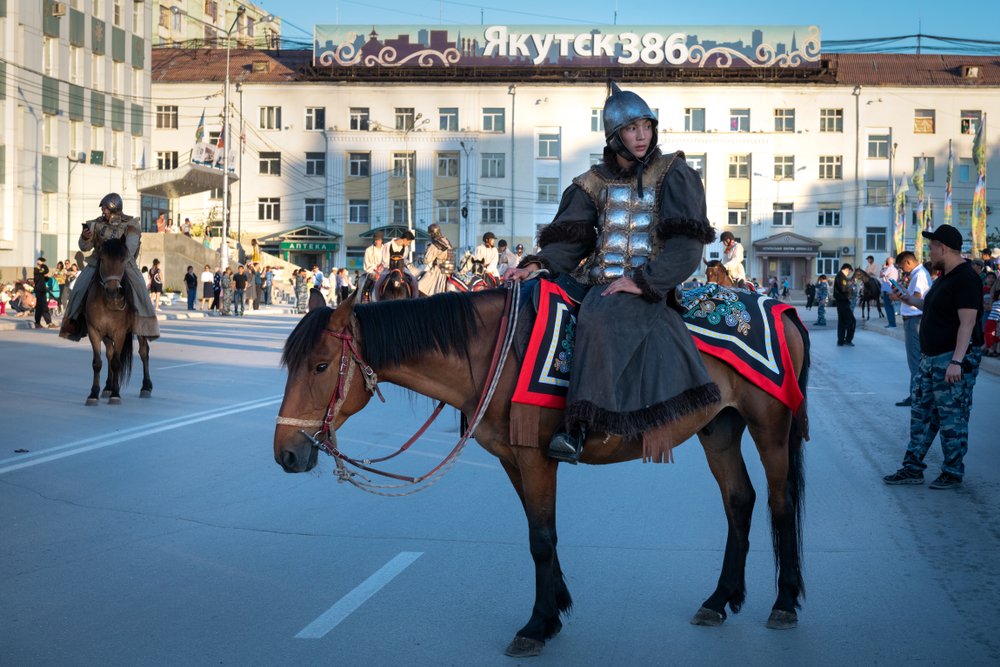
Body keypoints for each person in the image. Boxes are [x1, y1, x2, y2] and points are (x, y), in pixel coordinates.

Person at [505, 83, 719, 463]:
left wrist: (644, 282)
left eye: (646, 126)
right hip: (597, 278)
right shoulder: (593, 182)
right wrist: (539, 264)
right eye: (632, 128)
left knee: (599, 318)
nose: (642, 136)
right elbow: (570, 240)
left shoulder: (673, 172)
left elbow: (687, 246)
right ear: (614, 136)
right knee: (537, 304)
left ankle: (580, 425)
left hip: (648, 284)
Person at [883, 225, 985, 490]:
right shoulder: (944, 277)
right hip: (930, 359)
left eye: (931, 246)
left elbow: (968, 323)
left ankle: (952, 471)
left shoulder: (965, 278)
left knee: (952, 418)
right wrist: (908, 299)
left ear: (944, 248)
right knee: (921, 417)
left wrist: (956, 362)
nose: (929, 251)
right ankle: (912, 468)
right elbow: (931, 306)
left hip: (950, 359)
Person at [59, 193, 160, 341]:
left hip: (123, 262)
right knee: (79, 288)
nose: (103, 211)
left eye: (105, 208)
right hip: (98, 261)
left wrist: (117, 259)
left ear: (114, 208)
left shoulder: (131, 223)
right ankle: (73, 324)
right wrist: (85, 237)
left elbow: (130, 248)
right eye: (103, 209)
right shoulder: (95, 224)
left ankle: (145, 326)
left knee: (140, 287)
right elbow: (84, 247)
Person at [893, 250, 933, 406]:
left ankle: (916, 396)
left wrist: (902, 295)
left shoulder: (919, 275)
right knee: (916, 359)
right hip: (914, 319)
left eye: (902, 267)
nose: (903, 270)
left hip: (915, 319)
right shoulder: (918, 274)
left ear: (908, 262)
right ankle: (917, 394)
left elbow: (916, 298)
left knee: (915, 360)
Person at [417, 223, 455, 296]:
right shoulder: (446, 240)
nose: (430, 236)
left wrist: (420, 259)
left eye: (430, 234)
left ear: (433, 234)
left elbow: (427, 260)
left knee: (419, 286)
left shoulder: (435, 245)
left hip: (439, 271)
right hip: (450, 269)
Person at [833, 263, 856, 346]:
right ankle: (848, 340)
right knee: (852, 321)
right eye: (849, 272)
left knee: (842, 322)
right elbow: (843, 289)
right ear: (847, 269)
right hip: (843, 301)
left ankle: (840, 341)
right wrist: (851, 287)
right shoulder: (841, 276)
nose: (849, 274)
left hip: (841, 301)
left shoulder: (840, 276)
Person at [361, 231, 388, 301]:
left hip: (384, 271)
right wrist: (375, 271)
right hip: (372, 272)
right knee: (369, 281)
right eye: (375, 240)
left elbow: (388, 262)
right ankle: (365, 298)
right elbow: (367, 264)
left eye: (378, 240)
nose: (376, 241)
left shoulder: (386, 249)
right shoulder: (369, 250)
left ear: (382, 240)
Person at [33, 257, 54, 329]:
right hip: (40, 290)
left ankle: (37, 323)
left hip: (41, 290)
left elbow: (44, 278)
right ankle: (49, 323)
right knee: (44, 306)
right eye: (42, 262)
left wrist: (46, 277)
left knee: (40, 307)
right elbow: (46, 270)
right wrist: (42, 265)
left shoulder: (39, 271)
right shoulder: (36, 270)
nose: (43, 264)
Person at [879, 256, 899, 328]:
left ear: (888, 262)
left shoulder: (889, 269)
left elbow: (881, 275)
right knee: (890, 306)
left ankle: (891, 323)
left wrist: (883, 268)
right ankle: (892, 322)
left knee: (888, 306)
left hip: (887, 287)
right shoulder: (895, 269)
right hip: (893, 286)